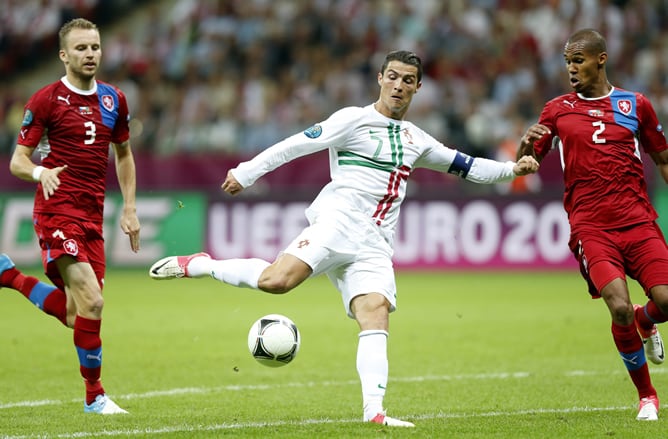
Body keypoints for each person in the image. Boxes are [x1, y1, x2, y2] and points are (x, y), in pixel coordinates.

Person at [150, 50, 539, 427]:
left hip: (375, 242)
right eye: (392, 77)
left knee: (375, 313)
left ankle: (374, 411)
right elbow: (296, 145)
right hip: (337, 223)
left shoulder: (417, 139)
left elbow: (467, 167)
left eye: (408, 80)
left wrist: (512, 169)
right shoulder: (353, 120)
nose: (398, 86)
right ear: (379, 79)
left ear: (418, 88)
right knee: (276, 281)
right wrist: (247, 172)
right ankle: (200, 264)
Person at [517, 28, 668, 421]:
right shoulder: (556, 109)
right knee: (617, 305)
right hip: (591, 227)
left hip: (638, 220)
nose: (571, 68)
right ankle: (647, 397)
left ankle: (645, 319)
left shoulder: (636, 105)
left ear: (601, 59)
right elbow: (527, 162)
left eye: (578, 60)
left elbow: (662, 158)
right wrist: (524, 145)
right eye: (568, 61)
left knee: (666, 302)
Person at [1, 18, 140, 414]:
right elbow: (17, 161)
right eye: (81, 48)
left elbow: (124, 154)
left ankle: (9, 276)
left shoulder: (114, 99)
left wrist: (129, 207)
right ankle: (94, 396)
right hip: (56, 210)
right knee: (93, 303)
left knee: (74, 312)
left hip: (93, 216)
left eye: (94, 47)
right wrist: (41, 172)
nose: (90, 54)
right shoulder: (45, 100)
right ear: (64, 55)